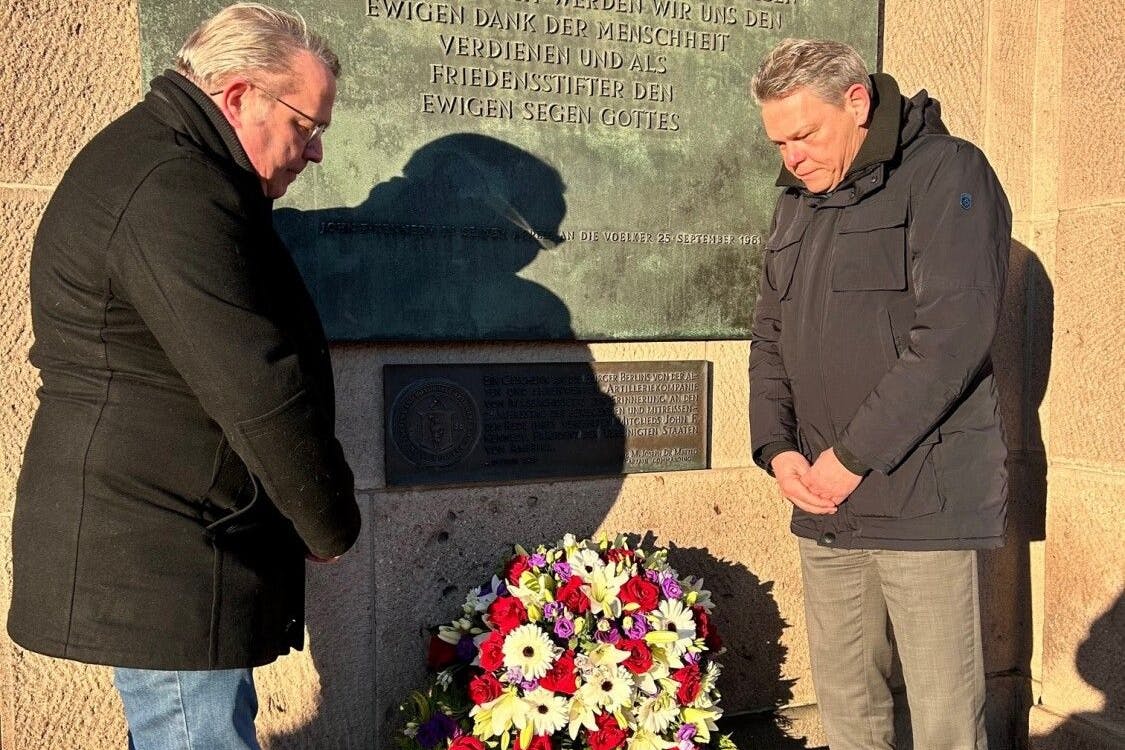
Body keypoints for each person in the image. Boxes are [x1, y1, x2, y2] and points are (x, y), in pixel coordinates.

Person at [6, 4, 361, 748]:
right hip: (165, 549)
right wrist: (325, 519)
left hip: (176, 532)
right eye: (307, 125)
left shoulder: (176, 169)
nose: (315, 151)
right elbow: (255, 382)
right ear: (238, 97)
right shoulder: (171, 187)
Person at [748, 38, 1010, 749]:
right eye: (778, 141)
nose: (791, 156)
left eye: (803, 134)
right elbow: (769, 337)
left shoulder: (946, 173)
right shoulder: (795, 204)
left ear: (856, 102)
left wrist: (851, 456)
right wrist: (777, 450)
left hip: (920, 500)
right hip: (823, 499)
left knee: (944, 722)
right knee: (846, 712)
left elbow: (951, 338)